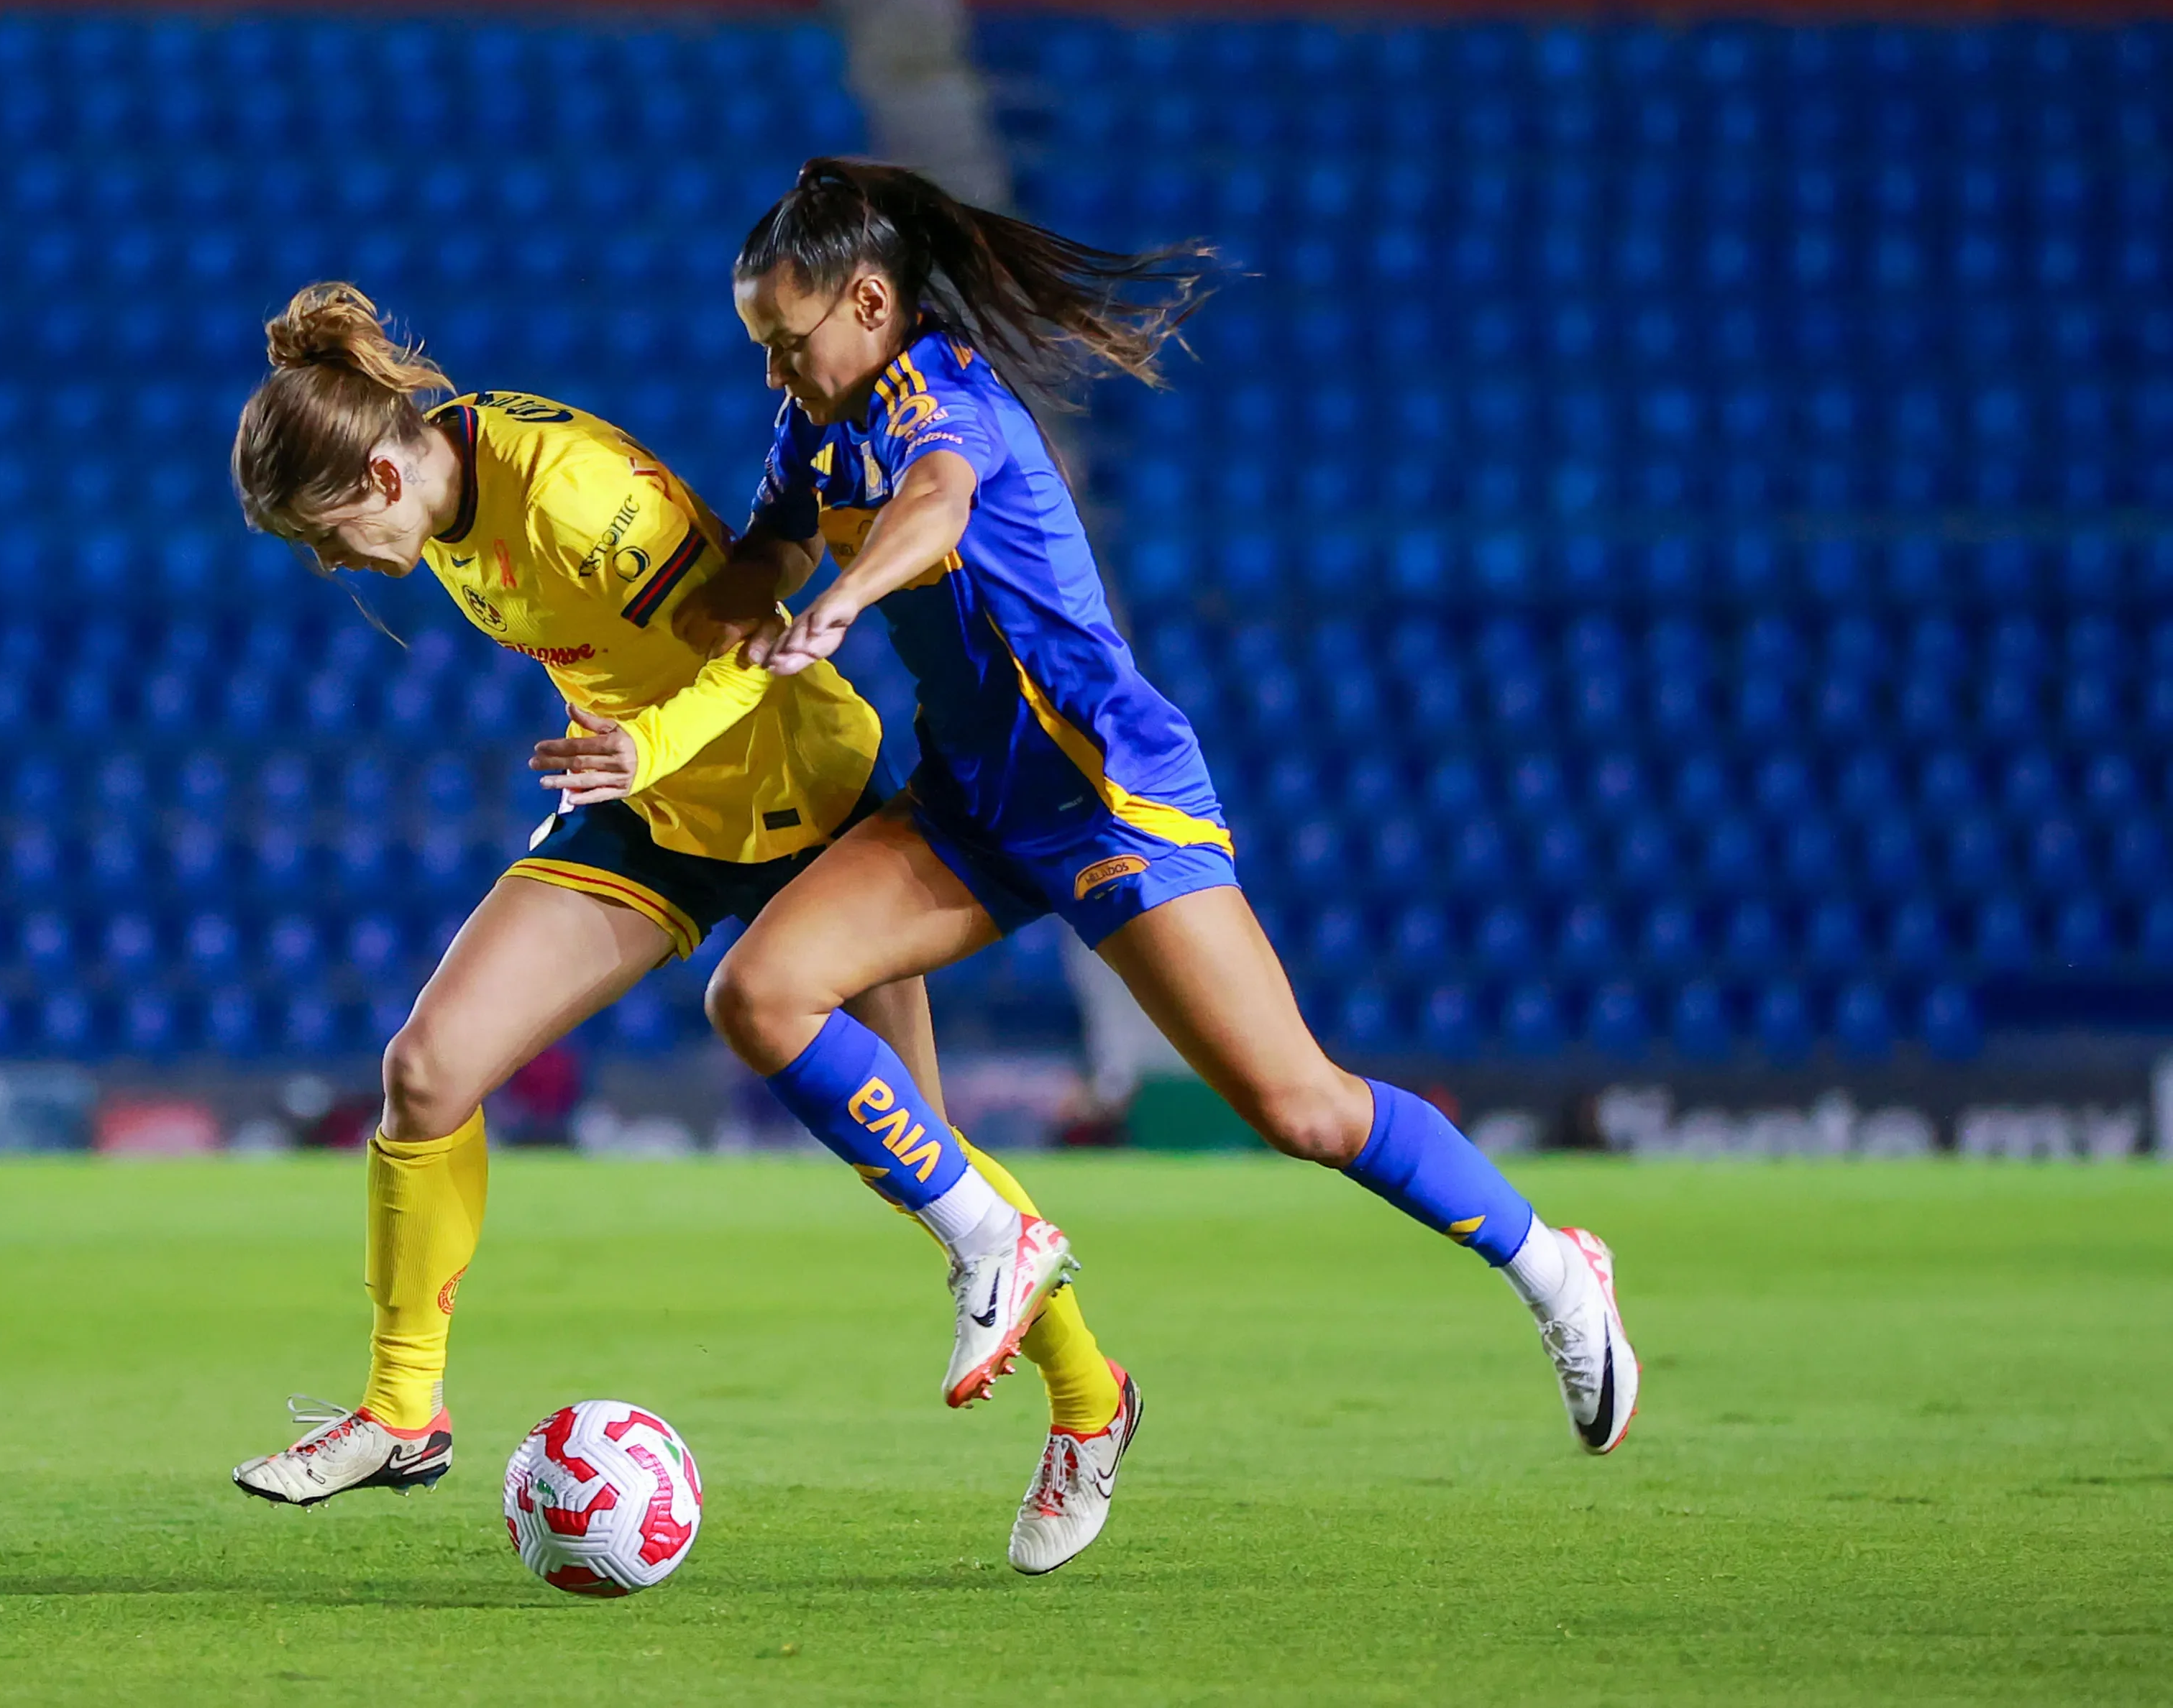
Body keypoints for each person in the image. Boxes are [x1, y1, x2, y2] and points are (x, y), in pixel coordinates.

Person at [679, 161, 1642, 1556]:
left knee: (1300, 1107)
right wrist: (616, 620)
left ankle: (1555, 1264)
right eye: (761, 346)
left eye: (789, 337)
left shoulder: (938, 400)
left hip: (1111, 794)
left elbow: (935, 508)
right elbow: (749, 569)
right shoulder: (812, 430)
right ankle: (1027, 1296)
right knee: (756, 997)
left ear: (869, 302)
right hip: (976, 808)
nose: (777, 368)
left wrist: (842, 606)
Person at [219, 285, 1119, 1566]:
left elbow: (755, 641)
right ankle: (401, 1408)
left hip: (792, 791)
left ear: (377, 466)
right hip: (646, 804)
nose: (329, 561)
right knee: (425, 1070)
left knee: (922, 1158)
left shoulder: (572, 499)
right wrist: (629, 750)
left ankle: (1091, 1407)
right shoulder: (449, 473)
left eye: (326, 531)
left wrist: (641, 741)